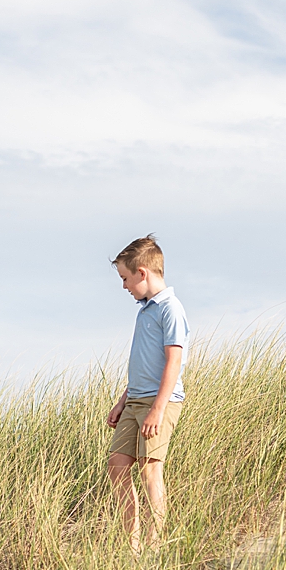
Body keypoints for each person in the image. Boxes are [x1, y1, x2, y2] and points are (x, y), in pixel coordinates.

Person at [106, 234, 189, 552]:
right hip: (134, 400)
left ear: (142, 272)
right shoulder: (144, 311)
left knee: (149, 468)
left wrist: (157, 408)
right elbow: (144, 362)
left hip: (160, 402)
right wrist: (123, 400)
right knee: (117, 464)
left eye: (125, 278)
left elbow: (173, 361)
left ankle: (155, 546)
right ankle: (133, 543)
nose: (124, 286)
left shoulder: (170, 308)